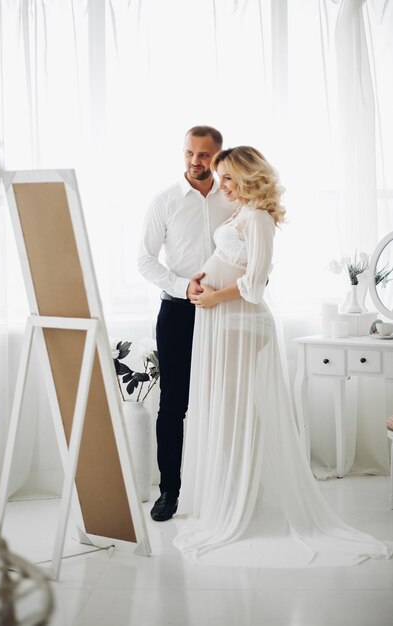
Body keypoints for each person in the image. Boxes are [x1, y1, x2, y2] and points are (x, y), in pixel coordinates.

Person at [173, 146, 393, 567]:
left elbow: (255, 282)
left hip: (239, 320)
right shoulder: (241, 214)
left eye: (230, 178)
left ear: (250, 177)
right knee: (226, 408)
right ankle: (235, 496)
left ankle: (247, 501)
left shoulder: (258, 219)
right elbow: (229, 259)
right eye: (221, 178)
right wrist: (202, 276)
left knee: (238, 411)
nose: (223, 185)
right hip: (222, 319)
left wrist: (215, 296)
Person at [137, 126, 233, 522]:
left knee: (225, 401)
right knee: (173, 406)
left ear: (219, 155)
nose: (196, 161)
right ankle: (169, 493)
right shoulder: (164, 201)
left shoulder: (233, 200)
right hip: (178, 313)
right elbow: (144, 260)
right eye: (190, 153)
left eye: (205, 155)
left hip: (227, 312)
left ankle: (224, 490)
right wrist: (183, 286)